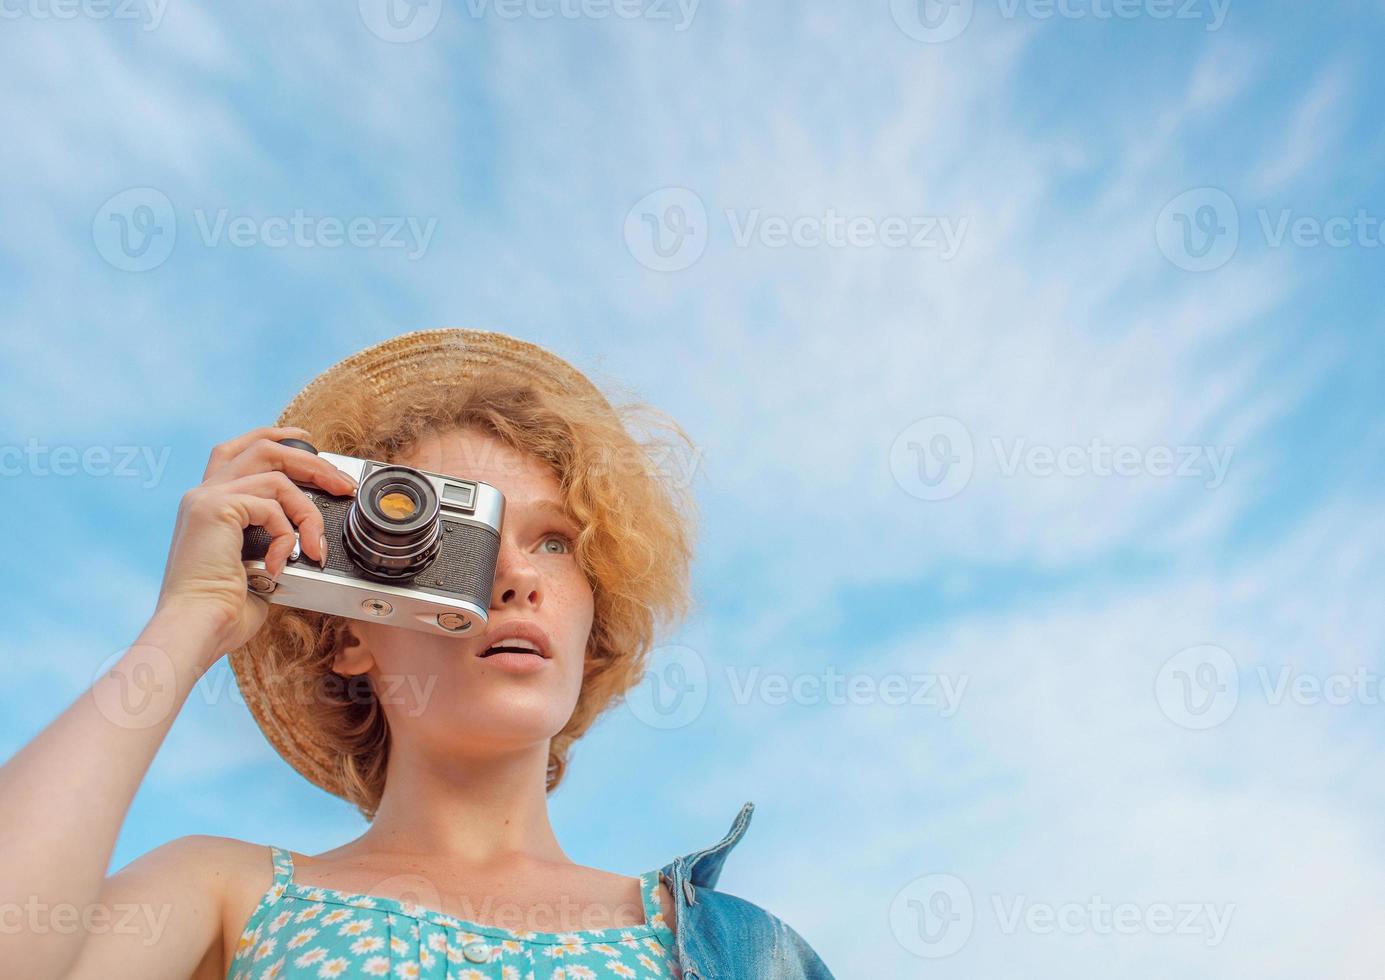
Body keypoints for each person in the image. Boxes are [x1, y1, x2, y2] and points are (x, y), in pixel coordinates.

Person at [0, 330, 835, 979]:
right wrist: (188, 621)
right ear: (352, 629)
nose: (515, 578)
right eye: (460, 548)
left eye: (555, 543)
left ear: (595, 614)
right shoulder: (225, 895)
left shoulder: (747, 954)